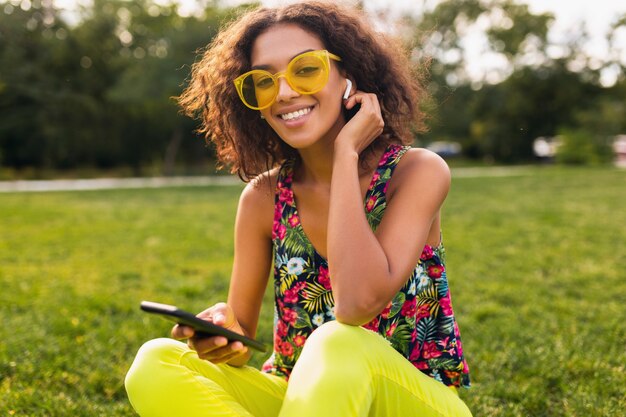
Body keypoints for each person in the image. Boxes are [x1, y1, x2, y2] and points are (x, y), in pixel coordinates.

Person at [125, 1, 472, 416]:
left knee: (336, 339)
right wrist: (222, 330)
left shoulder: (416, 172)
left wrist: (346, 154)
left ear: (350, 76)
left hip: (410, 402)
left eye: (306, 69)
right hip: (301, 400)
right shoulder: (263, 197)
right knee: (157, 361)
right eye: (264, 81)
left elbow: (355, 305)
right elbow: (241, 342)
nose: (286, 92)